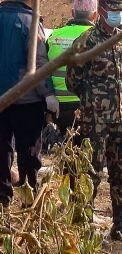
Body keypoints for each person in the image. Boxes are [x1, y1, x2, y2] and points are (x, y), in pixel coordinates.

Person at [66, 0, 122, 244]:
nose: (118, 16)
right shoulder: (86, 41)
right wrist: (92, 99)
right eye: (114, 12)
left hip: (121, 117)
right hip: (95, 119)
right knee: (91, 172)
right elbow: (73, 80)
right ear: (102, 11)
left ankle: (120, 225)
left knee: (120, 173)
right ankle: (84, 226)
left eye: (120, 12)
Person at [0, 0, 59, 207]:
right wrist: (49, 95)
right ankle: (29, 200)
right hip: (27, 100)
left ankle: (2, 201)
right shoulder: (29, 21)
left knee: (1, 151)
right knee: (29, 152)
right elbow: (39, 63)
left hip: (1, 101)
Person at [47, 0, 97, 132]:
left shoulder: (54, 36)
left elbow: (41, 68)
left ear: (73, 13)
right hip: (86, 105)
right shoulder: (97, 38)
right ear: (95, 15)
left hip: (57, 106)